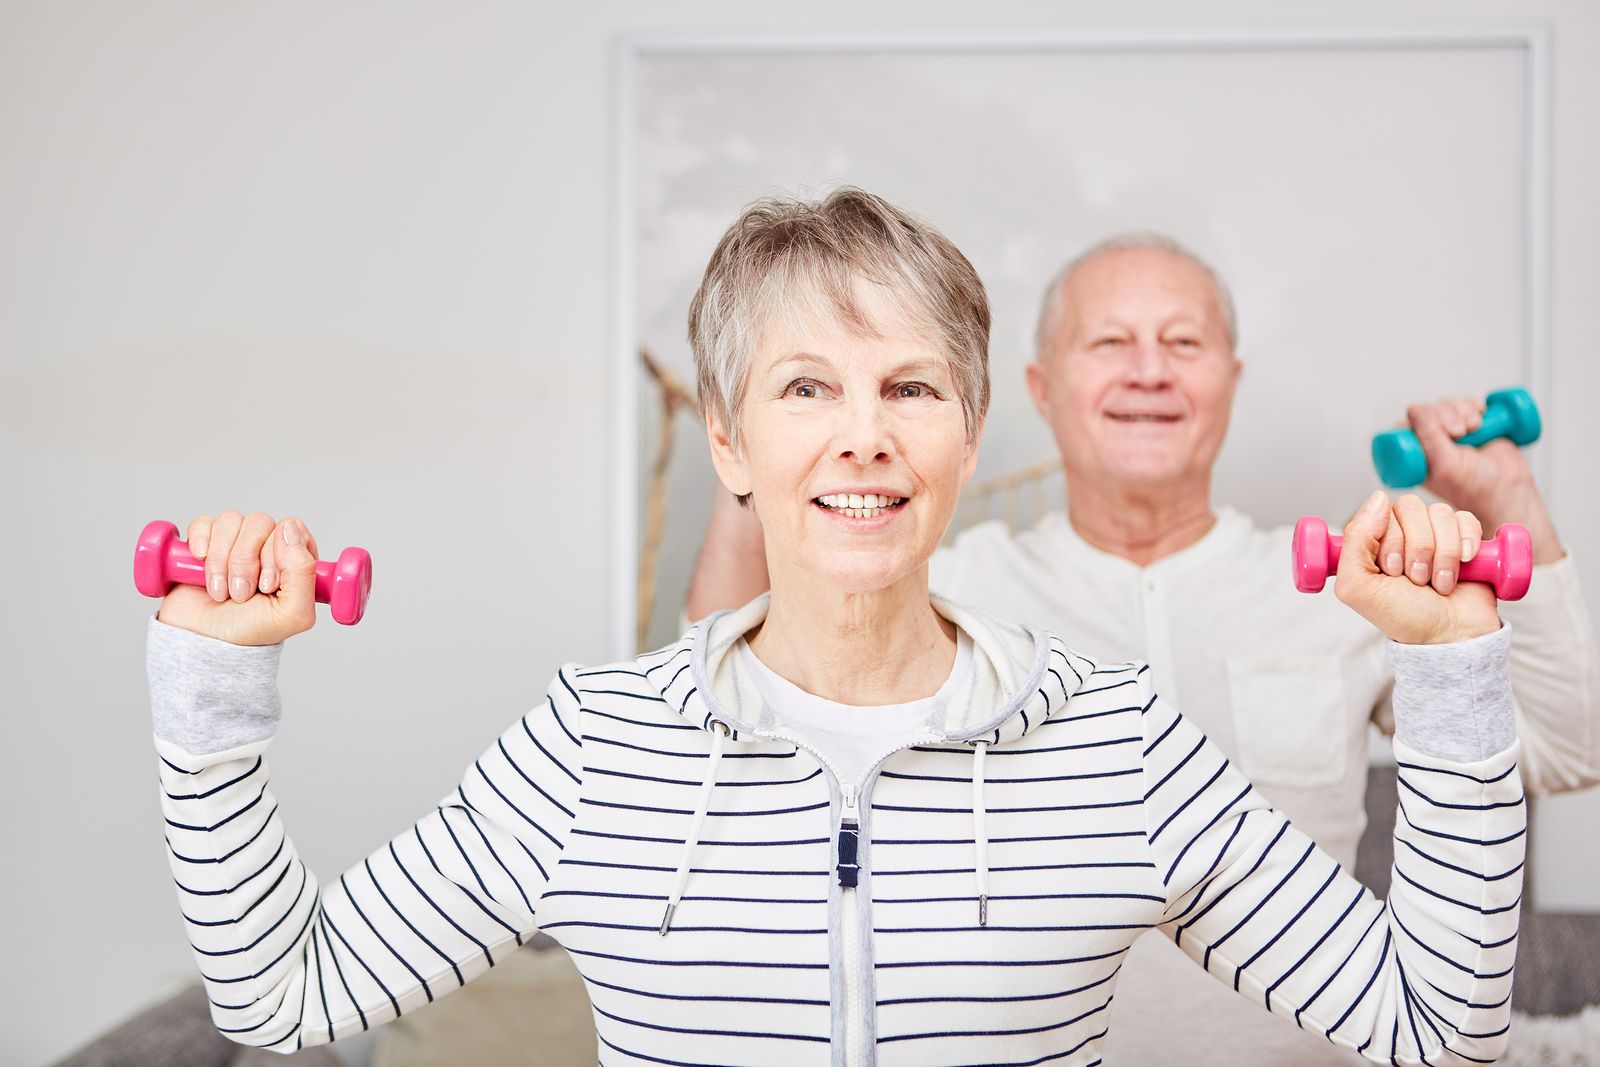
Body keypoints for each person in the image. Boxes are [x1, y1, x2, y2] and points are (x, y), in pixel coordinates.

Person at [150, 190, 1526, 1066]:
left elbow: (1434, 1024)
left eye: (911, 386)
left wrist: (1453, 668)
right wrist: (215, 684)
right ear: (733, 443)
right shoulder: (590, 742)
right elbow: (287, 994)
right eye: (806, 387)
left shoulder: (1121, 741)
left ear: (970, 432)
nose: (863, 435)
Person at [685, 231, 1600, 1065]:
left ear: (1230, 381)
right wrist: (760, 459)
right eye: (1110, 343)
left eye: (1184, 343)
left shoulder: (1348, 588)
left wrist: (1505, 494)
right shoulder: (939, 589)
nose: (1149, 372)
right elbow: (729, 734)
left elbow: (1568, 750)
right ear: (1039, 389)